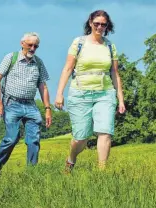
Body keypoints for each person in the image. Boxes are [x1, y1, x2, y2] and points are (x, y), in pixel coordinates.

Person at [54, 10, 125, 172]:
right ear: (90, 24)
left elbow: (115, 73)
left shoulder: (109, 46)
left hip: (105, 93)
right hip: (80, 93)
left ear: (107, 26)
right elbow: (67, 68)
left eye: (103, 24)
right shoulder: (79, 43)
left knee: (105, 132)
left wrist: (120, 98)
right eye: (97, 24)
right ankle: (71, 159)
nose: (100, 27)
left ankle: (102, 173)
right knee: (81, 138)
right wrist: (59, 94)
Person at [0, 32, 52, 176]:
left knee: (34, 141)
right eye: (30, 45)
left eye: (35, 46)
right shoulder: (11, 58)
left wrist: (48, 108)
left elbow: (42, 86)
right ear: (22, 43)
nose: (32, 48)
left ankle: (31, 173)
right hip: (12, 103)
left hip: (31, 106)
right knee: (12, 138)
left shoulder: (38, 62)